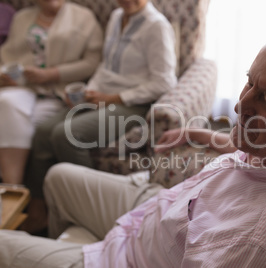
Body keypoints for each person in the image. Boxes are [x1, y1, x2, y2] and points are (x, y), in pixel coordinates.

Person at [0, 24, 266, 267]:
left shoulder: (253, 244)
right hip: (165, 211)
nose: (242, 105)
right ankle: (59, 236)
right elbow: (259, 154)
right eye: (249, 82)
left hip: (133, 257)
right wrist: (205, 136)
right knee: (58, 176)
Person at [22, 0, 177, 234]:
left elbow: (164, 81)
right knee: (44, 132)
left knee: (67, 134)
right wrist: (88, 92)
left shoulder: (156, 26)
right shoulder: (116, 17)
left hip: (133, 104)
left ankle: (88, 212)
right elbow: (105, 66)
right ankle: (39, 209)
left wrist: (115, 97)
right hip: (103, 96)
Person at [0, 0, 103, 185]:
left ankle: (27, 196)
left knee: (29, 127)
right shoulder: (22, 18)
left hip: (59, 91)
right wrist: (6, 75)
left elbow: (92, 61)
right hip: (25, 87)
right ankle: (12, 188)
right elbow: (6, 56)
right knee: (6, 102)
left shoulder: (83, 17)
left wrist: (51, 74)